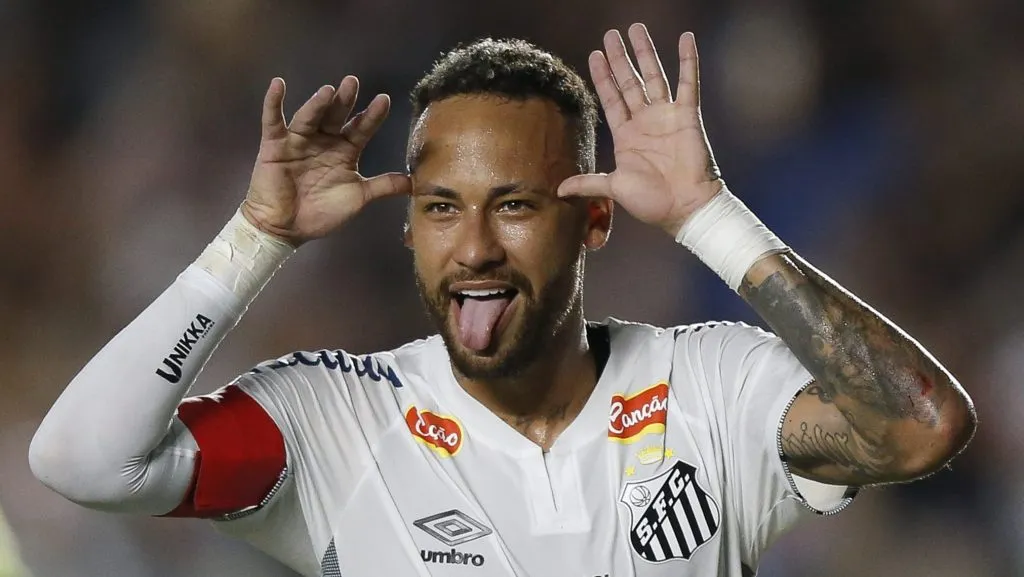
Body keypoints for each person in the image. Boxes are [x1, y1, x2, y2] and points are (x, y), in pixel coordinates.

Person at [29, 24, 975, 577]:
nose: (474, 247)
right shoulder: (341, 418)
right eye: (442, 209)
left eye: (515, 206)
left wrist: (706, 215)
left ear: (594, 222)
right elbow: (83, 459)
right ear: (410, 228)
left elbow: (920, 424)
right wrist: (255, 238)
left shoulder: (713, 388)